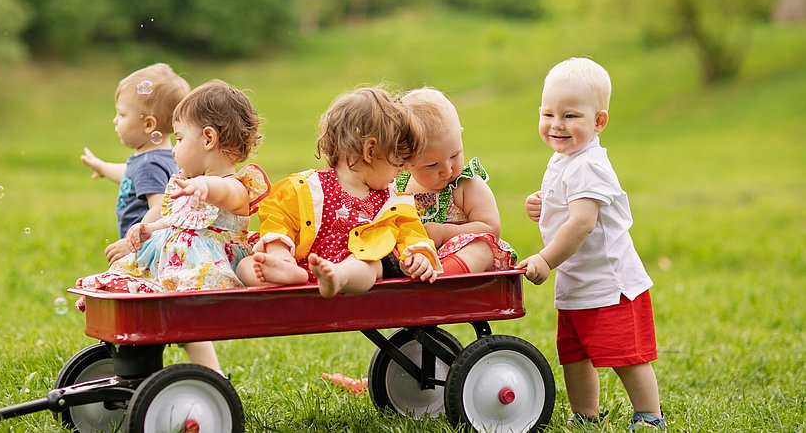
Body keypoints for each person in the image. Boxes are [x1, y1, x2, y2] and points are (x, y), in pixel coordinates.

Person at [77, 79, 270, 373]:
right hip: (172, 264)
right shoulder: (189, 185)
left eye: (179, 139)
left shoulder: (236, 187)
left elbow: (224, 194)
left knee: (181, 317)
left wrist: (204, 186)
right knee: (139, 296)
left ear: (208, 139)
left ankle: (212, 375)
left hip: (205, 268)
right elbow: (177, 221)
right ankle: (139, 357)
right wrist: (150, 230)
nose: (174, 149)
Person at [520, 57, 665, 431]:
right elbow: (566, 200)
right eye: (548, 114)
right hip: (578, 283)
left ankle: (649, 415)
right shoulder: (564, 158)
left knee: (626, 355)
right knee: (574, 354)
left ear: (599, 121)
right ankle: (585, 414)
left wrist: (546, 259)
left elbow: (583, 222)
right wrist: (541, 202)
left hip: (608, 285)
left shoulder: (589, 164)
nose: (556, 125)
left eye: (570, 116)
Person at [235, 86, 441, 298]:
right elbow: (279, 214)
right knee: (245, 264)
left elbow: (412, 231)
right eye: (398, 163)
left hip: (354, 262)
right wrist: (280, 253)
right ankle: (285, 272)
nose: (400, 172)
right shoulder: (309, 187)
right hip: (306, 264)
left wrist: (419, 254)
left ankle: (339, 277)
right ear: (370, 151)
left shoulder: (392, 201)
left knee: (369, 266)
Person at [394, 87, 517, 274]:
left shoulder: (465, 184)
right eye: (432, 165)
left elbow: (491, 229)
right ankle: (410, 276)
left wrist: (444, 233)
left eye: (454, 155)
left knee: (482, 248)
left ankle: (443, 276)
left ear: (460, 134)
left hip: (460, 258)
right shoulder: (398, 186)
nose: (447, 170)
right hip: (415, 256)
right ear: (405, 162)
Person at [81, 63, 190, 264]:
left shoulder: (150, 165)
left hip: (144, 249)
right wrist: (103, 168)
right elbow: (130, 174)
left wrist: (133, 241)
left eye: (122, 114)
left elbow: (159, 207)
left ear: (149, 124)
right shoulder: (159, 157)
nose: (115, 120)